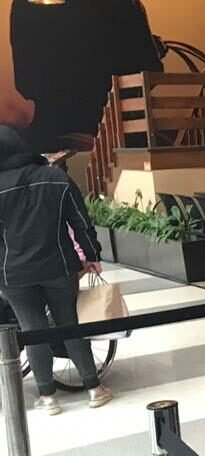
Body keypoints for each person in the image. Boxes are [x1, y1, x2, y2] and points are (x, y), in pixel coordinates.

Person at [10, 0, 165, 152]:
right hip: (114, 134)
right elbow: (148, 72)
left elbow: (26, 81)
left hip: (49, 131)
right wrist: (155, 51)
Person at [0, 127, 113, 414]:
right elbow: (80, 221)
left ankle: (48, 397)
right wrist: (92, 255)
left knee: (32, 330)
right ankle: (94, 389)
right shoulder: (56, 178)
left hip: (14, 275)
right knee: (69, 324)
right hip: (59, 267)